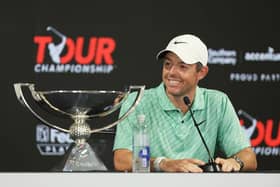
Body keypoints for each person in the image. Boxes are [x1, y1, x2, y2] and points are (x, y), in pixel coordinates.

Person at [113, 34, 257, 172]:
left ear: (201, 72)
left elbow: (249, 157)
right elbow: (121, 159)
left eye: (182, 66)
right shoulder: (136, 101)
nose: (171, 72)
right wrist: (163, 164)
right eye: (168, 64)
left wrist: (235, 162)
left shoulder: (218, 102)